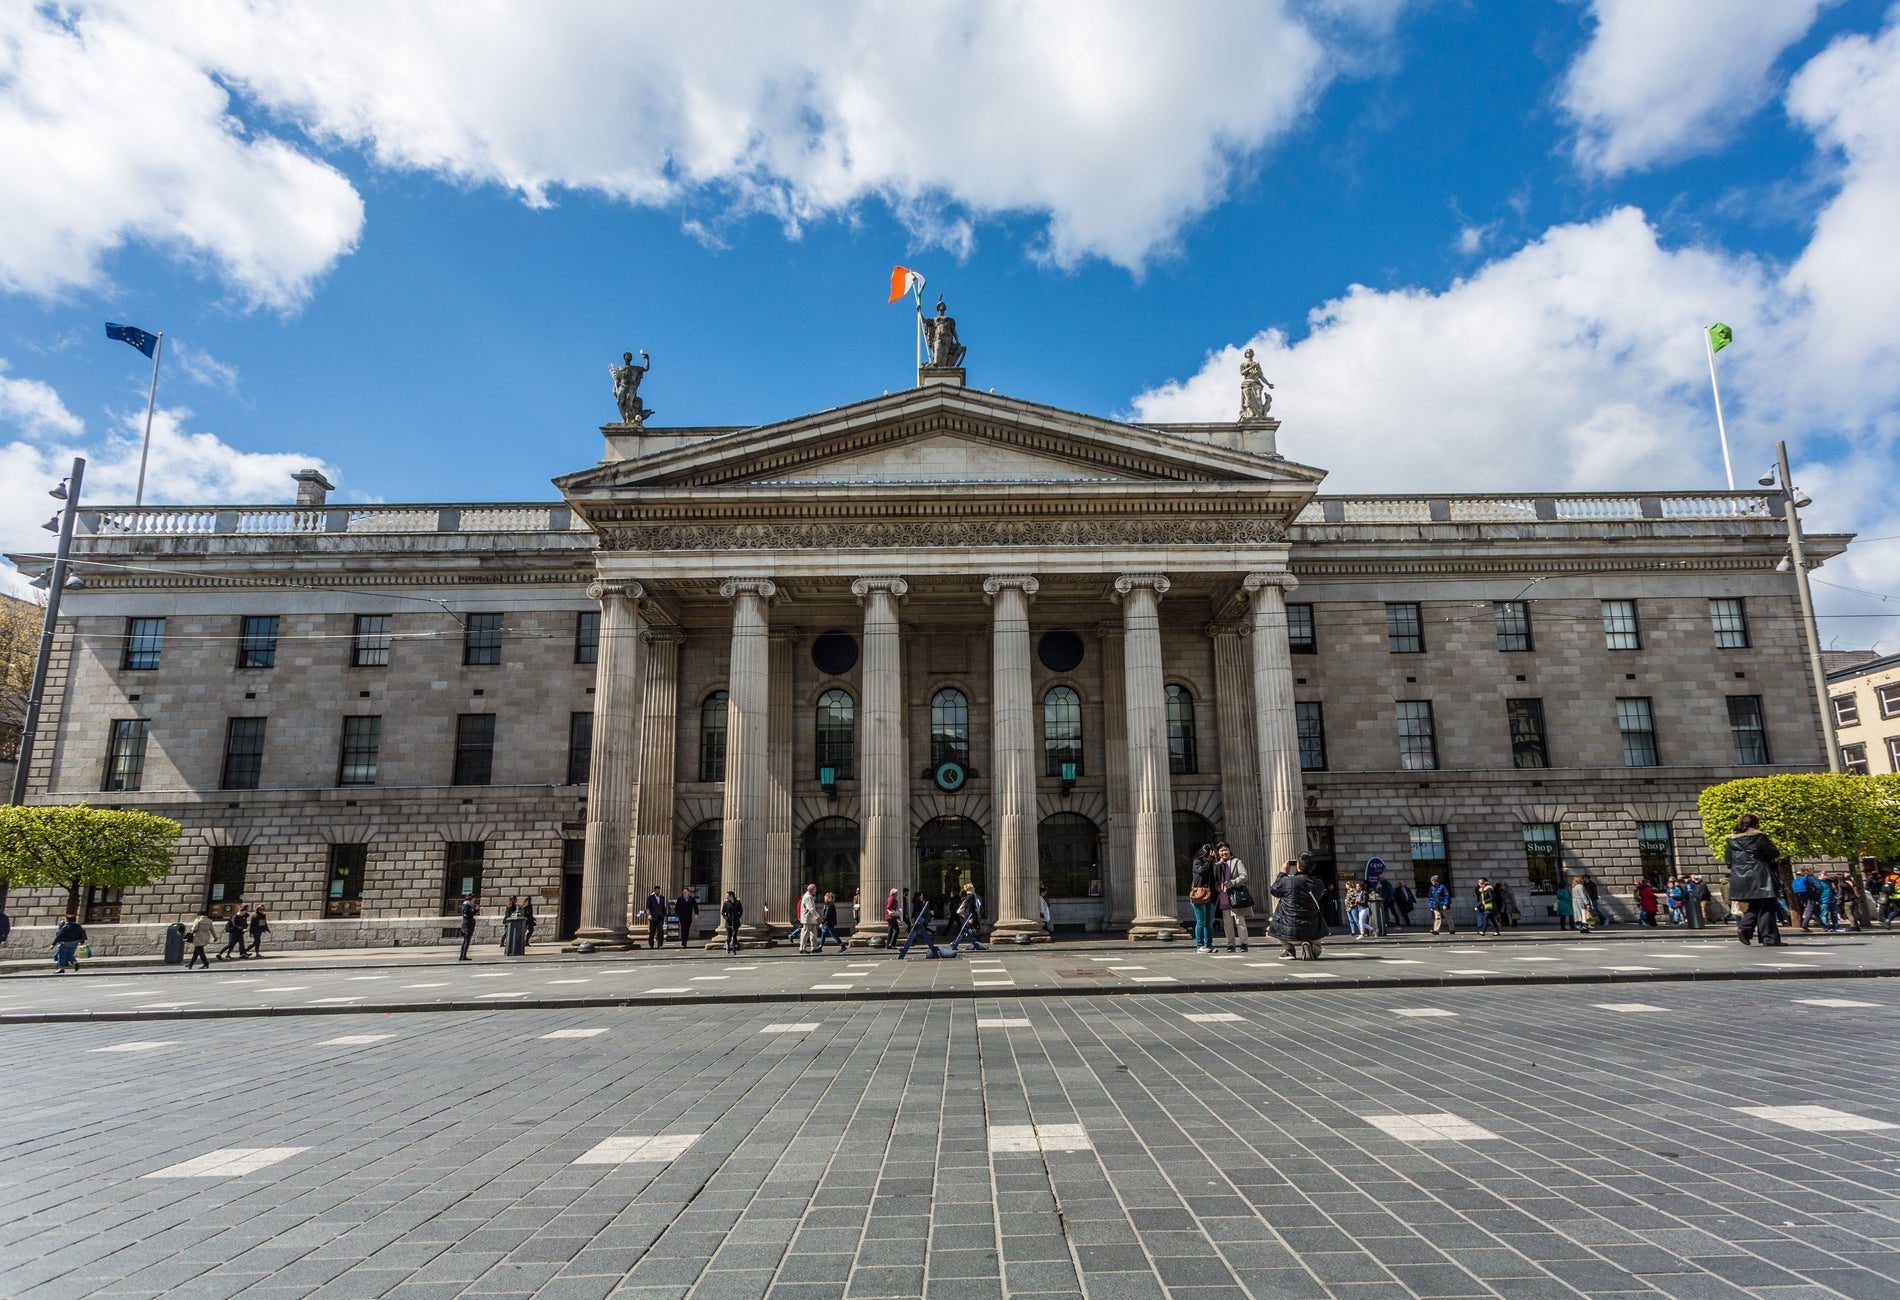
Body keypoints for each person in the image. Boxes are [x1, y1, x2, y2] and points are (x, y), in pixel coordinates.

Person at [1726, 814, 1783, 946]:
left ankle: (1745, 928)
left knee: (1754, 905)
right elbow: (1774, 853)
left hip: (1741, 879)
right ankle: (1769, 938)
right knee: (1767, 907)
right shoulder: (1759, 838)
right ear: (1756, 824)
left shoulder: (1731, 841)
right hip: (1760, 877)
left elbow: (1728, 862)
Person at [1268, 858, 1326, 960]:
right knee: (1316, 938)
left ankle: (1289, 949)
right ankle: (1314, 948)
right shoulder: (1318, 883)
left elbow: (1274, 890)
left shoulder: (1287, 881)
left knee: (1277, 918)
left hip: (1289, 930)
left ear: (1298, 866)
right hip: (1312, 930)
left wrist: (1282, 873)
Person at [1216, 843, 1250, 952]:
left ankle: (1243, 943)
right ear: (1218, 853)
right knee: (1227, 923)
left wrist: (1233, 882)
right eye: (1221, 851)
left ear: (1230, 850)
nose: (1224, 853)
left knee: (1239, 920)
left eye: (1225, 850)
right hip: (1223, 895)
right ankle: (1230, 944)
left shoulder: (1236, 862)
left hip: (1235, 895)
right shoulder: (1217, 865)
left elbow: (1244, 876)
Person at [897, 892, 949, 959]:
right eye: (921, 895)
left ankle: (916, 939)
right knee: (919, 930)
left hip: (919, 918)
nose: (922, 896)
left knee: (921, 929)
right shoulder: (919, 902)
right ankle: (915, 939)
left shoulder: (918, 901)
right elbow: (919, 910)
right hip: (920, 918)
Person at [1188, 843, 1218, 953]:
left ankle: (1208, 944)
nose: (1209, 857)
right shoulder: (1197, 862)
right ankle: (1199, 945)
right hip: (1199, 895)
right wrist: (1210, 860)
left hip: (1210, 895)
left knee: (1209, 922)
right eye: (1208, 855)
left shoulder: (1211, 864)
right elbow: (1202, 871)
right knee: (1201, 921)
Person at [948, 884, 987, 954]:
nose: (974, 888)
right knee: (973, 930)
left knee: (966, 931)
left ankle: (956, 943)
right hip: (971, 916)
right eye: (973, 887)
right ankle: (956, 943)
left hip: (969, 916)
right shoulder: (971, 896)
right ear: (970, 889)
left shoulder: (969, 896)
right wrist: (970, 918)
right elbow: (969, 908)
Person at [799, 883, 823, 953]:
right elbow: (811, 909)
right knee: (805, 934)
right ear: (812, 890)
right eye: (815, 889)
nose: (816, 891)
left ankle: (814, 947)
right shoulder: (808, 897)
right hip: (807, 919)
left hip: (811, 919)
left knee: (813, 934)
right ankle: (802, 948)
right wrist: (818, 917)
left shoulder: (810, 896)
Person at [458, 894, 478, 960]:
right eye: (473, 899)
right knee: (467, 940)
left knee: (465, 941)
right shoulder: (467, 905)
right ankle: (463, 956)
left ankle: (462, 956)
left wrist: (474, 911)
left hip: (465, 924)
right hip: (467, 924)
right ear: (471, 899)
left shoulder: (464, 905)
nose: (474, 900)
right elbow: (467, 915)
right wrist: (474, 911)